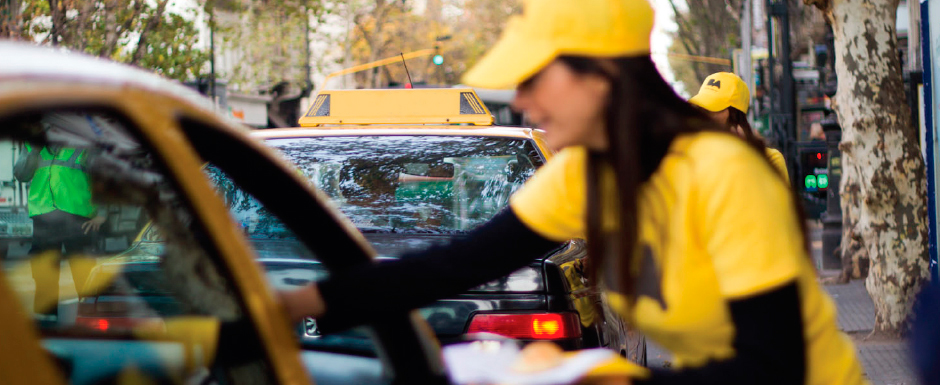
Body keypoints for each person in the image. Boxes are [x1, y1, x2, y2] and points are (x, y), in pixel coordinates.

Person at [279, 0, 867, 383]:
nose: (522, 99)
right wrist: (292, 307)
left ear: (601, 77)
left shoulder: (725, 174)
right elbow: (452, 266)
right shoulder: (585, 174)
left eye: (535, 78)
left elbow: (773, 365)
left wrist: (598, 376)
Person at [13, 140, 106, 321]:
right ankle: (46, 318)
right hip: (44, 216)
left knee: (83, 271)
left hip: (78, 217)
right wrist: (34, 152)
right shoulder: (32, 145)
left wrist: (102, 213)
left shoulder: (82, 144)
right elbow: (21, 175)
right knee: (44, 271)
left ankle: (91, 317)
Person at [689, 72, 789, 181]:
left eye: (712, 108)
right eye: (701, 108)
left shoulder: (771, 160)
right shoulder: (691, 161)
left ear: (735, 115)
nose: (704, 116)